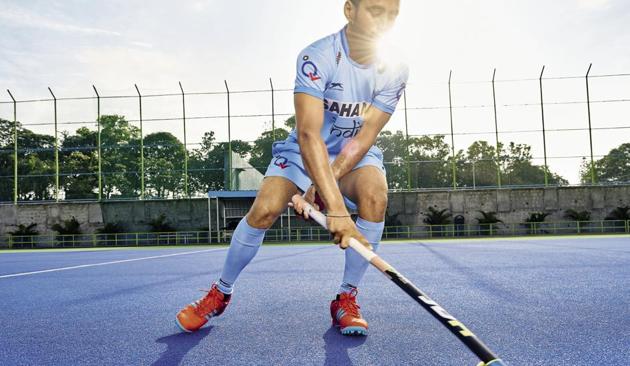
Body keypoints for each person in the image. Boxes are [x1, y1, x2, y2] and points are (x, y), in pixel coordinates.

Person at [177, 0, 407, 336]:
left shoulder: (395, 68)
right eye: (375, 10)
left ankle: (346, 298)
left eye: (393, 14)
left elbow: (363, 138)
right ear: (349, 9)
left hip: (350, 152)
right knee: (264, 210)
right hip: (304, 149)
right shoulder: (318, 56)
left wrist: (322, 190)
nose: (385, 21)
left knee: (375, 197)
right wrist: (338, 211)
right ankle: (220, 292)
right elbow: (308, 134)